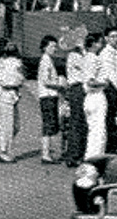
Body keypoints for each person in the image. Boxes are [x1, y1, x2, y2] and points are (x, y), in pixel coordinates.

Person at [0, 39, 25, 162]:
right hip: (4, 96)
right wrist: (17, 79)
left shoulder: (10, 62)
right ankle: (4, 152)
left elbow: (21, 78)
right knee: (7, 126)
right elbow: (7, 82)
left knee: (16, 126)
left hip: (13, 96)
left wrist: (17, 79)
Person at [83, 32, 111, 159]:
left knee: (92, 130)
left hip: (89, 98)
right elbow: (90, 81)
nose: (102, 45)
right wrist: (104, 83)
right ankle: (97, 158)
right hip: (96, 95)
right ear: (94, 44)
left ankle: (89, 156)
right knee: (99, 131)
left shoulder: (85, 58)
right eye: (100, 42)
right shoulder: (93, 58)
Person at [36, 35, 63, 163]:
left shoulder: (48, 60)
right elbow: (46, 81)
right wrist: (59, 85)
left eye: (55, 46)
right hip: (48, 95)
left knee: (50, 124)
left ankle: (47, 152)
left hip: (49, 95)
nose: (55, 49)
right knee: (48, 125)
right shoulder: (46, 61)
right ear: (44, 47)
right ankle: (46, 154)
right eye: (52, 46)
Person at [62, 38, 88, 167]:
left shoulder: (75, 56)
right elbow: (86, 68)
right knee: (77, 122)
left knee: (78, 122)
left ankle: (75, 153)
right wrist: (83, 51)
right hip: (77, 89)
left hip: (78, 89)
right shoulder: (74, 56)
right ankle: (74, 155)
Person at [102, 27, 117, 151]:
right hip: (111, 89)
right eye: (112, 37)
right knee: (111, 119)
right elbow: (111, 75)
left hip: (113, 88)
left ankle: (112, 145)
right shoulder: (106, 54)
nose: (115, 39)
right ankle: (110, 147)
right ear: (106, 39)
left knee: (113, 118)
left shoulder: (113, 52)